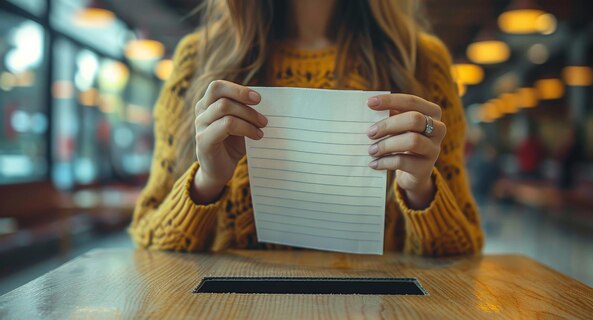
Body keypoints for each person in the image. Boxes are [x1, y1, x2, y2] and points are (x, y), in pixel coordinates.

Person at [129, 0, 483, 256]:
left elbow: (462, 248)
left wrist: (419, 189)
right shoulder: (200, 58)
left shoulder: (420, 60)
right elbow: (149, 240)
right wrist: (207, 180)